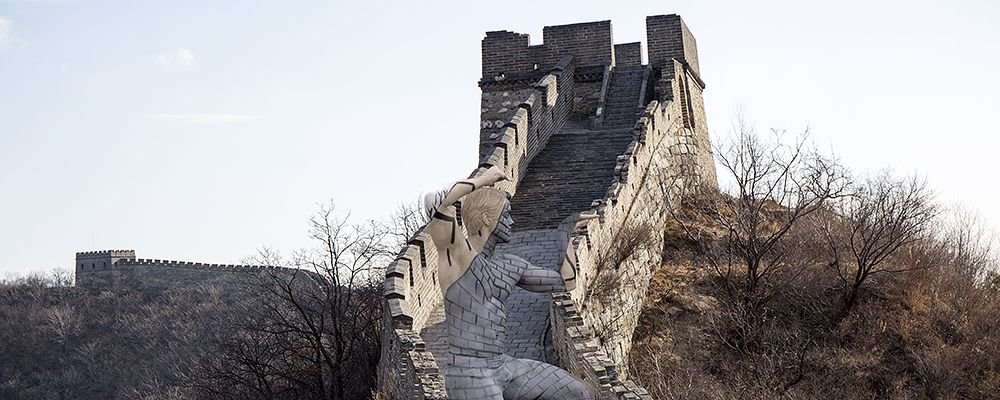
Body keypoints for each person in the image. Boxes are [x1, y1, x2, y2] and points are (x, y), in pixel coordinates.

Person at [424, 165, 593, 400]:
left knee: (577, 392)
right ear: (486, 217)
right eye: (506, 214)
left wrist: (564, 235)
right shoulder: (458, 255)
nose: (512, 221)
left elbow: (566, 283)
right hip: (469, 371)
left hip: (504, 365)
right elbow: (435, 203)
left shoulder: (511, 265)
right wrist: (484, 179)